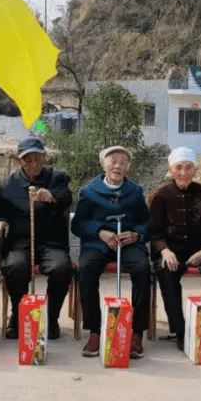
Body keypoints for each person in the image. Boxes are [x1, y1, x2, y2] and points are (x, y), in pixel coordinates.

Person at [72, 145, 151, 360]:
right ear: (103, 165)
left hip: (128, 243)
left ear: (128, 167)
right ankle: (95, 331)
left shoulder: (135, 191)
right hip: (98, 243)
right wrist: (100, 232)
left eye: (122, 162)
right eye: (113, 161)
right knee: (86, 268)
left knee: (143, 268)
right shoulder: (89, 191)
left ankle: (136, 332)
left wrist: (135, 234)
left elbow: (147, 222)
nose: (117, 166)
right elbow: (78, 224)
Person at [148, 147, 201, 347]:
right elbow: (154, 231)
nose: (183, 173)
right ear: (171, 169)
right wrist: (165, 250)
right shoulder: (161, 196)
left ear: (195, 170)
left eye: (188, 168)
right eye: (179, 168)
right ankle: (180, 330)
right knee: (165, 271)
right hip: (171, 252)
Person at [0, 136, 73, 341]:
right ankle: (19, 316)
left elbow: (67, 198)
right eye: (28, 159)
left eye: (38, 158)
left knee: (61, 268)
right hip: (20, 242)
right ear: (19, 161)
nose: (33, 163)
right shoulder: (9, 183)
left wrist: (53, 196)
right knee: (15, 266)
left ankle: (51, 318)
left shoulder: (57, 177)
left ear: (44, 158)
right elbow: (1, 211)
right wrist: (1, 221)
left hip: (51, 242)